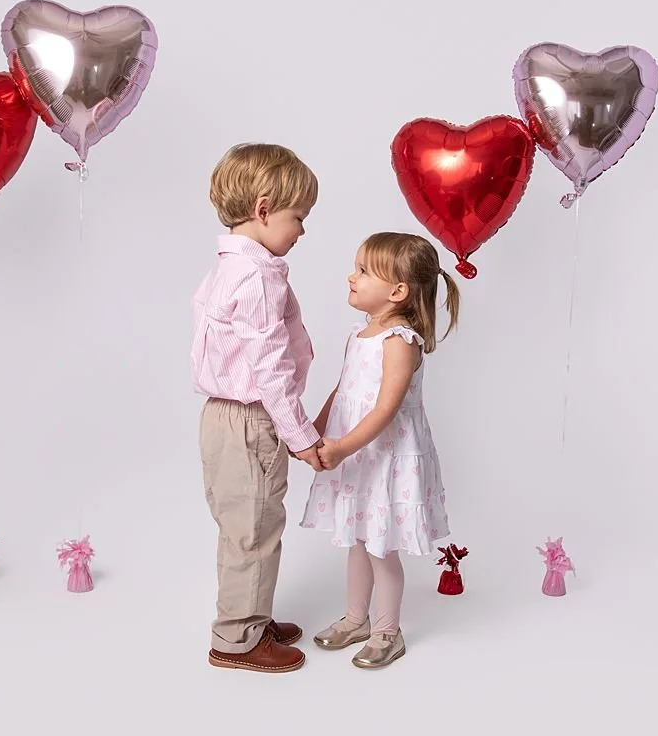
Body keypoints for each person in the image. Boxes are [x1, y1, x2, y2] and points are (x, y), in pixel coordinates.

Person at [190, 143, 324, 673]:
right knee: (254, 528)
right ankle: (237, 639)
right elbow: (269, 365)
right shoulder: (259, 275)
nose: (302, 231)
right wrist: (300, 434)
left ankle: (251, 615)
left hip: (223, 419)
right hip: (250, 420)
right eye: (299, 217)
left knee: (247, 521)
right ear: (264, 209)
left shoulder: (226, 267)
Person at [300, 231, 460, 669]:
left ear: (397, 291)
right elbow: (344, 388)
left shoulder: (399, 341)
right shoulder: (361, 334)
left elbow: (386, 408)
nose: (351, 276)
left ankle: (388, 631)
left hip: (384, 456)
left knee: (380, 546)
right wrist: (315, 430)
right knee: (357, 538)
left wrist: (344, 447)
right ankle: (356, 619)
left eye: (363, 270)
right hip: (359, 454)